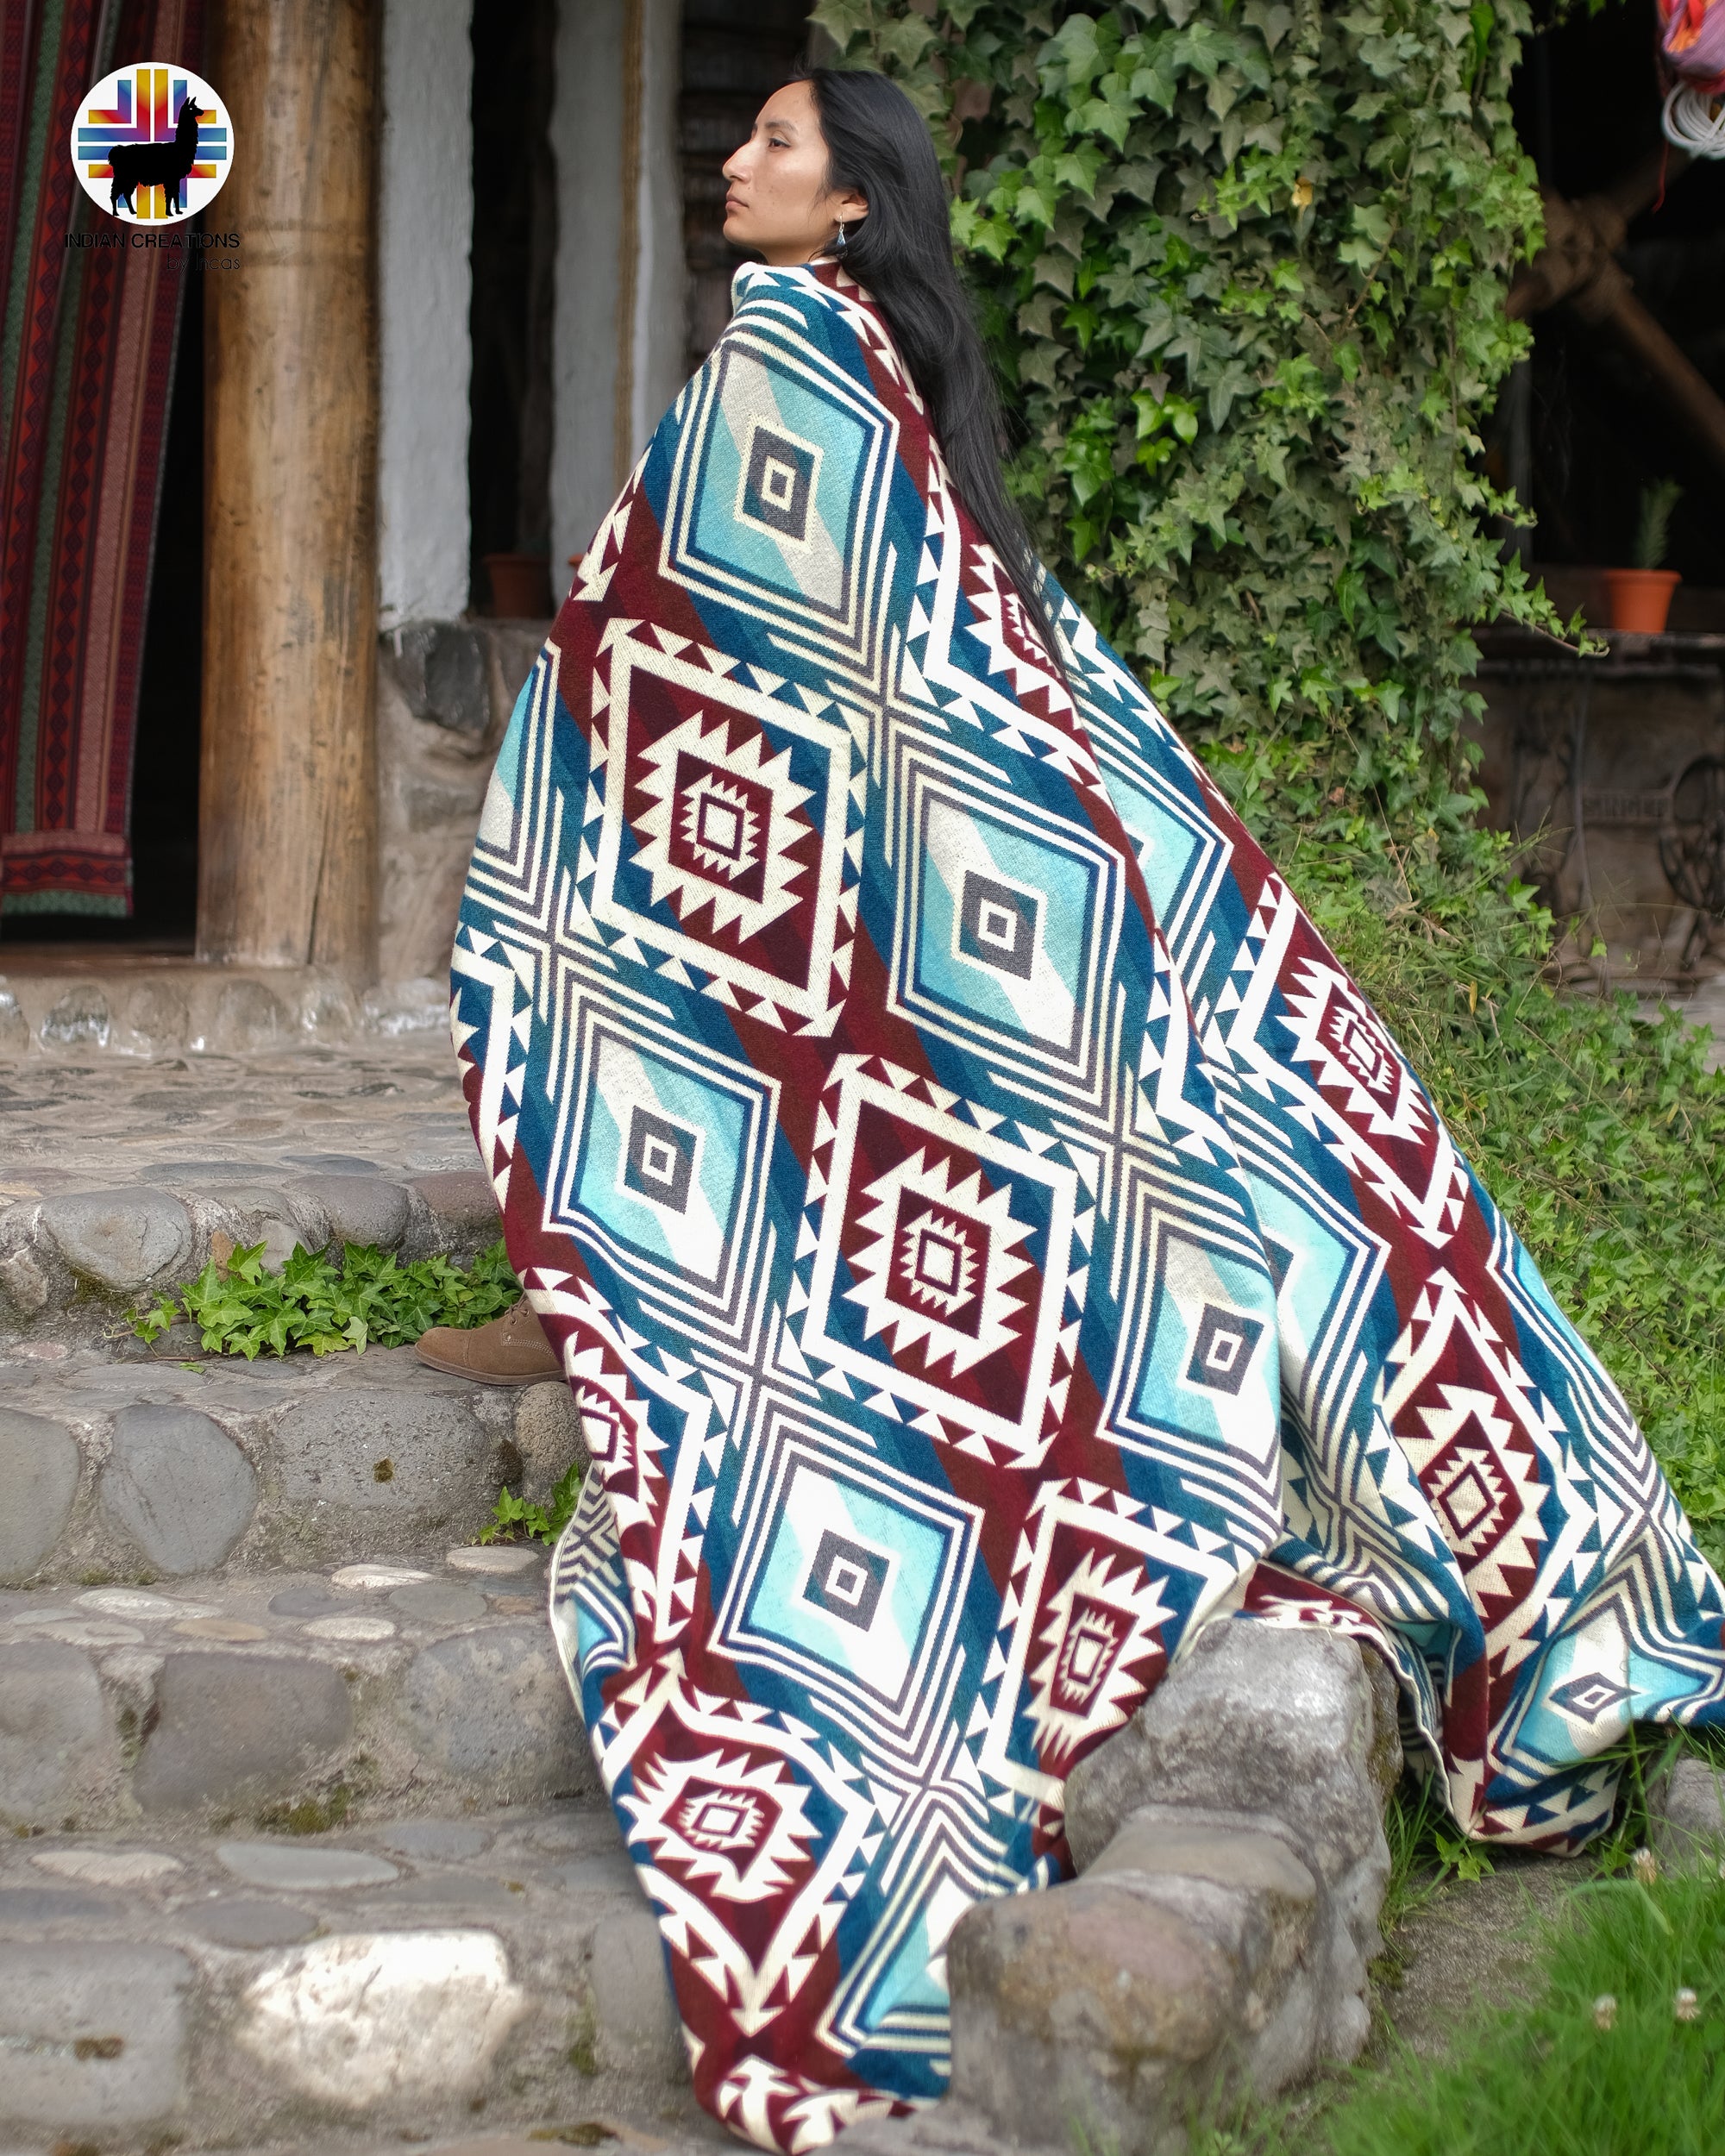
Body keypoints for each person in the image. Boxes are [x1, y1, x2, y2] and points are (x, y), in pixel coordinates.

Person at [448, 68, 1725, 2152]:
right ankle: (1556, 1576)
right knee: (1346, 1196)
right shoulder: (871, 378)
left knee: (1236, 1189)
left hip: (975, 982)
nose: (736, 164)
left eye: (774, 142)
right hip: (1002, 953)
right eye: (747, 136)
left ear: (854, 204)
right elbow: (839, 696)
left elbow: (733, 684)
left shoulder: (790, 365)